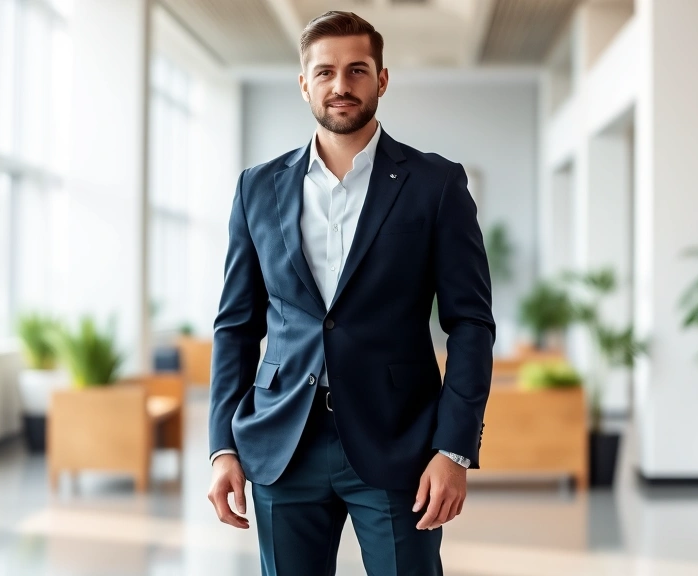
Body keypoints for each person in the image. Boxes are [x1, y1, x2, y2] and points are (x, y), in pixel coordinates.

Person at [207, 10, 495, 576]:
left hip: (400, 443)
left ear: (381, 79)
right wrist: (223, 446)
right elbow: (236, 326)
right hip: (282, 442)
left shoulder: (436, 185)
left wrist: (454, 448)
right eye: (326, 72)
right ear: (304, 83)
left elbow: (471, 325)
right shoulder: (256, 188)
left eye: (357, 70)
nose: (341, 86)